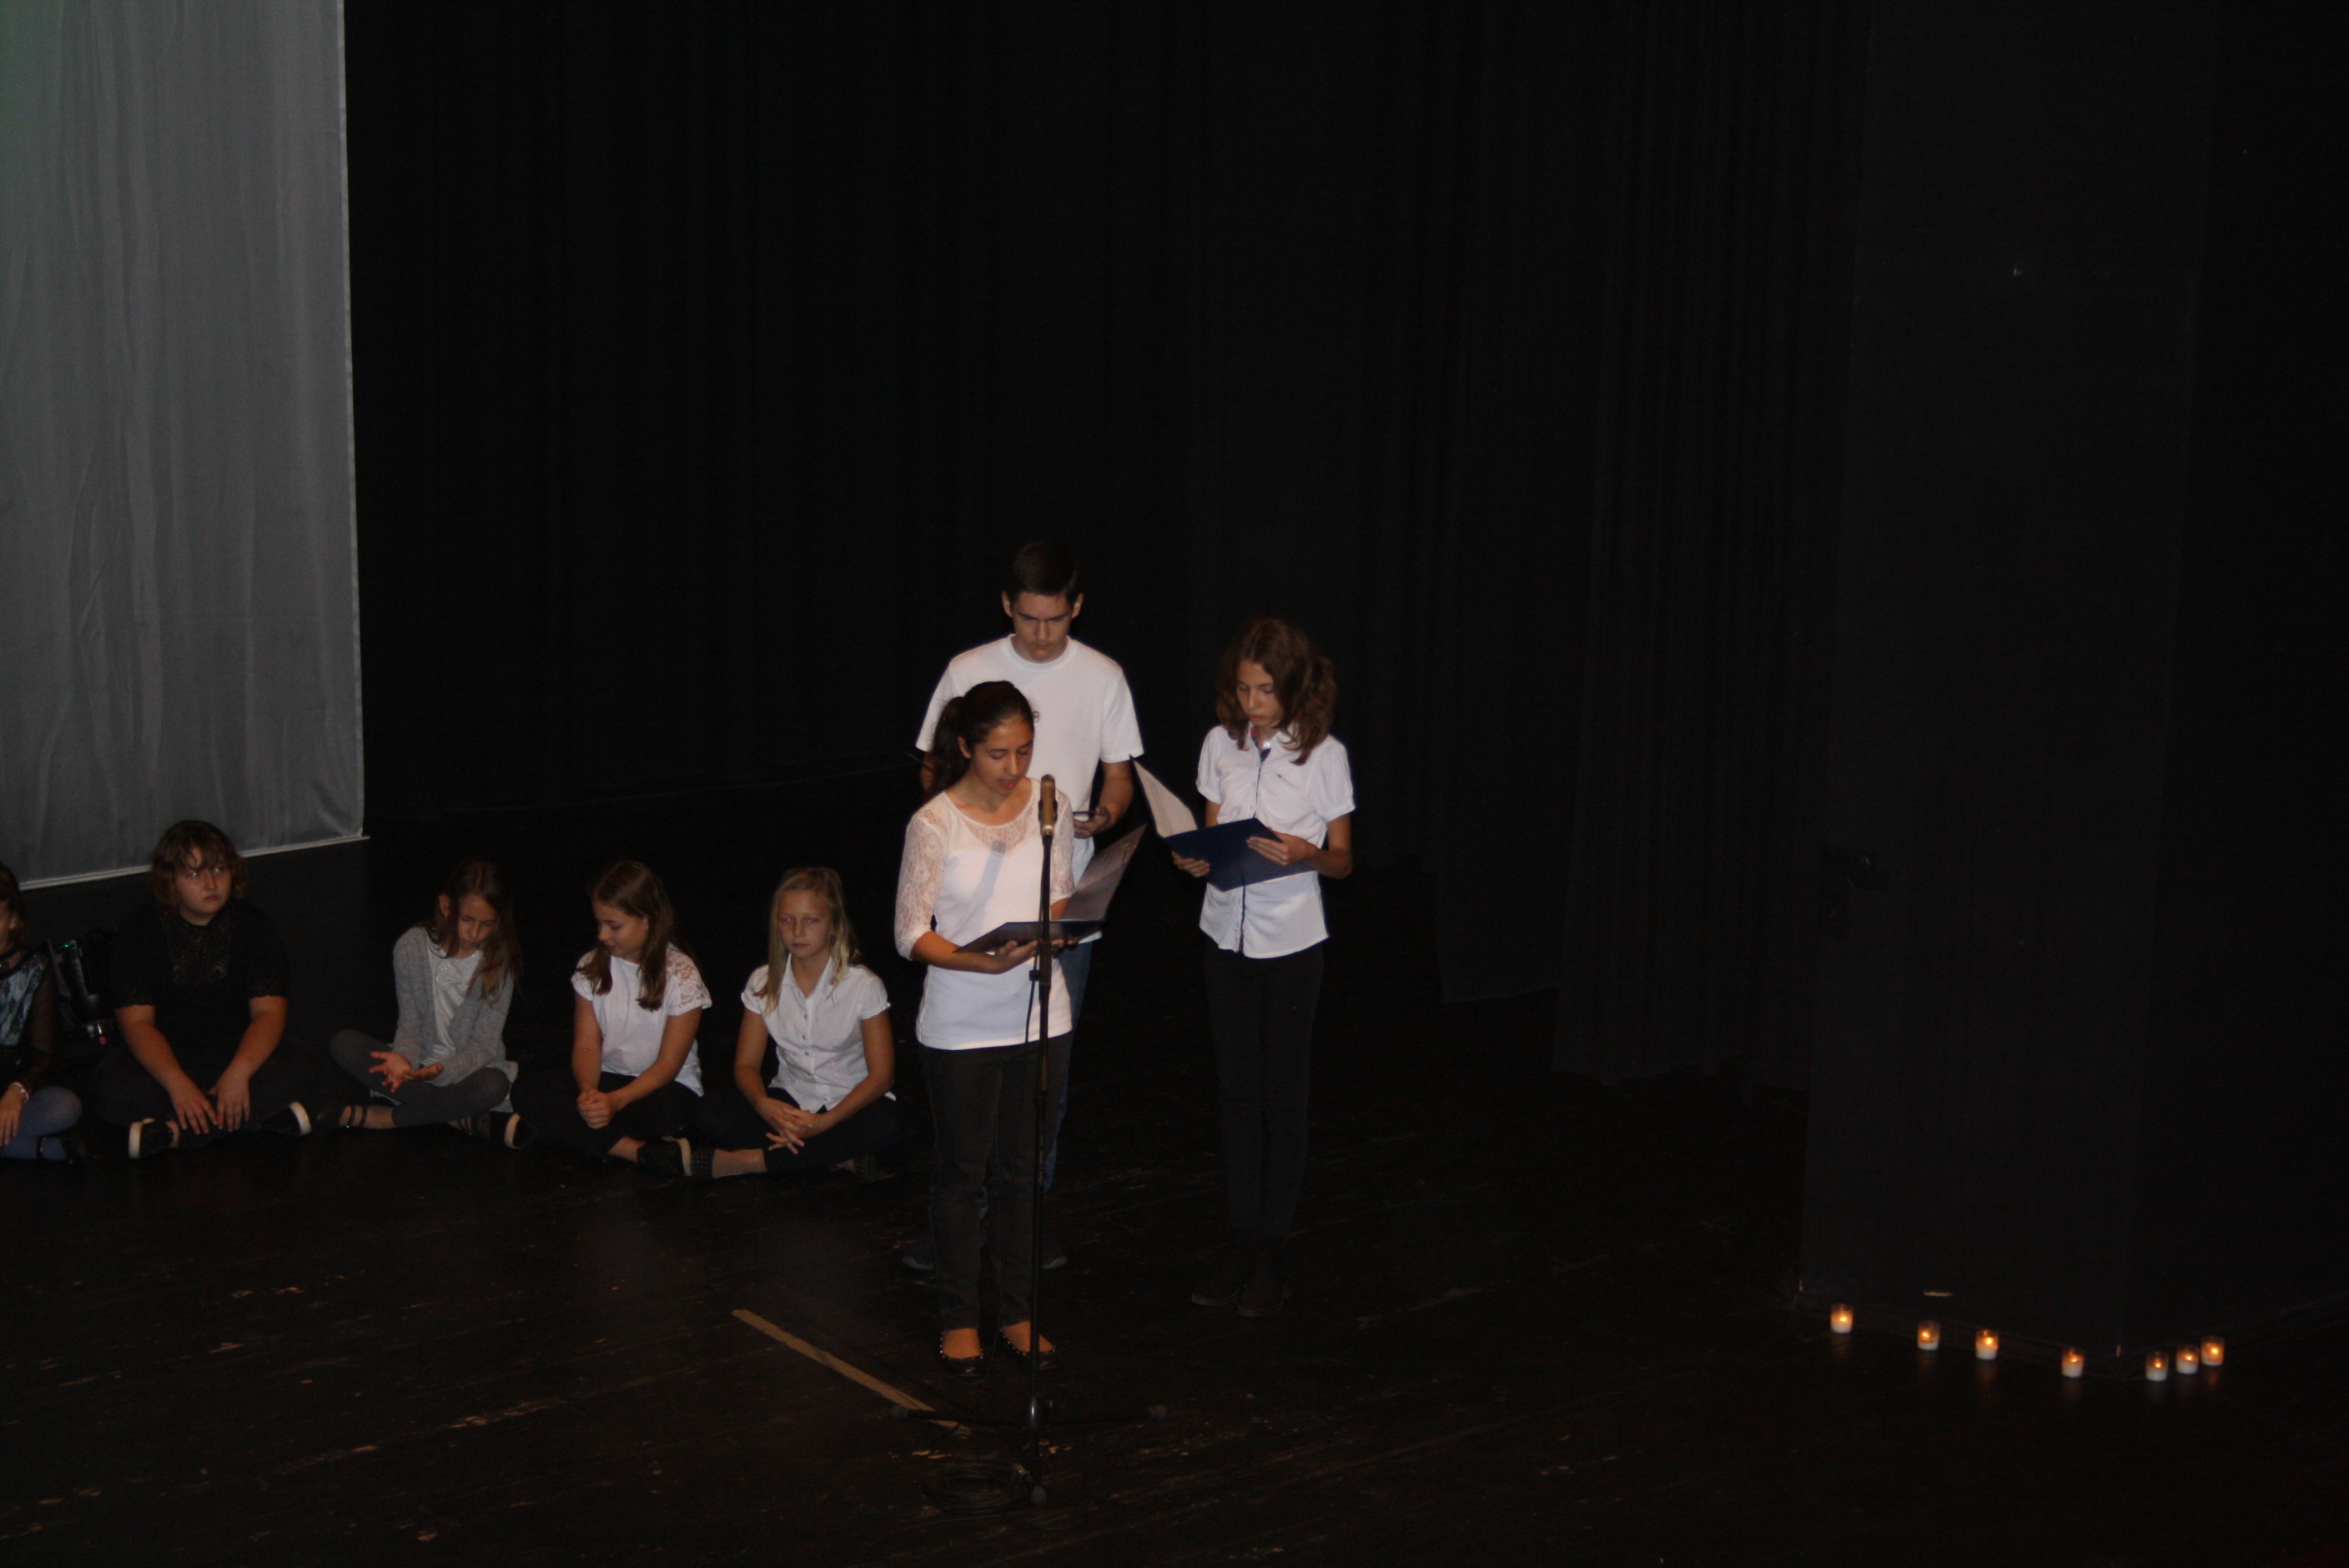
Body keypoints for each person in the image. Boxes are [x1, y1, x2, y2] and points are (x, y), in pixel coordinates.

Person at [908, 540, 1143, 1262]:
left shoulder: (1103, 676)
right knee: (970, 1073)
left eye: (1056, 620)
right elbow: (931, 770)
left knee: (1043, 1080)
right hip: (973, 898)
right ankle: (960, 1222)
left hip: (1057, 898)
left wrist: (1105, 816)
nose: (1042, 635)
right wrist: (975, 824)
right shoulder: (968, 670)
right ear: (1007, 606)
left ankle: (1022, 1220)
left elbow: (1119, 775)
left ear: (1077, 607)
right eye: (1029, 619)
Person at [1172, 617, 1354, 1318]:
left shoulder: (1324, 755)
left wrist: (1306, 853)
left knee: (1284, 1094)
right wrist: (1195, 857)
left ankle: (1273, 1247)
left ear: (1295, 687)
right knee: (1237, 1093)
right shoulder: (1220, 744)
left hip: (1292, 943)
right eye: (1244, 689)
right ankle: (1241, 1237)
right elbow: (1213, 834)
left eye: (1266, 691)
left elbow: (1343, 861)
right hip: (1225, 935)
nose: (1253, 703)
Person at [895, 681, 1073, 1376]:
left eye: (1024, 751)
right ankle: (959, 1318)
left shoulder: (1048, 805)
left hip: (1041, 1013)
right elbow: (910, 932)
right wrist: (978, 960)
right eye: (999, 753)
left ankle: (1019, 1312)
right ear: (966, 747)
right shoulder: (934, 822)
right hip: (963, 1022)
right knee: (963, 1173)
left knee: (1024, 1170)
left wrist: (1057, 929)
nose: (1014, 767)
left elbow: (1060, 893)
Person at [650, 867, 899, 1180]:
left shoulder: (863, 985)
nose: (798, 931)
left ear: (834, 925)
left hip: (847, 1104)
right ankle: (834, 1156)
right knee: (709, 1112)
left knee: (886, 1125)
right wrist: (764, 1105)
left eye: (811, 920)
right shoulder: (763, 982)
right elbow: (746, 1066)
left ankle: (752, 1161)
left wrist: (824, 1123)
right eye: (787, 920)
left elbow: (881, 1077)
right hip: (790, 1100)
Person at [91, 821, 317, 1157]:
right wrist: (177, 1084)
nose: (211, 884)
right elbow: (137, 1024)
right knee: (110, 1088)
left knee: (302, 1065)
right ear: (170, 881)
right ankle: (255, 1118)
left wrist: (239, 1074)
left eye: (219, 870)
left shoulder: (254, 925)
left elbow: (269, 1015)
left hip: (237, 1053)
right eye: (195, 874)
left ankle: (174, 1132)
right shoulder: (139, 931)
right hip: (169, 1057)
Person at [510, 861, 708, 1167]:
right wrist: (589, 1093)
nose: (602, 935)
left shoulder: (682, 974)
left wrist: (615, 1102)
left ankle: (554, 1131)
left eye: (614, 926)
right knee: (527, 1090)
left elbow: (669, 1065)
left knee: (675, 1113)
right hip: (608, 1081)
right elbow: (586, 1044)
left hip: (662, 1088)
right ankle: (637, 1151)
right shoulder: (591, 967)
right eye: (599, 923)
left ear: (648, 920)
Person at [324, 859, 521, 1138]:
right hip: (419, 1064)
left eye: (486, 924)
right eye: (467, 920)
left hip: (468, 1071)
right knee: (344, 1043)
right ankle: (454, 1114)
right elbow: (411, 1021)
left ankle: (389, 1118)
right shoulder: (412, 947)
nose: (474, 933)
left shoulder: (499, 963)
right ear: (446, 906)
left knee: (493, 1085)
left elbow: (484, 1046)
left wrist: (441, 1072)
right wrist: (403, 1060)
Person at [1, 862, 83, 1161]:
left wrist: (17, 1091)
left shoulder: (34, 969)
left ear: (12, 920)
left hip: (10, 1088)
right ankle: (34, 1149)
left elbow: (43, 1053)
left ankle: (18, 1145)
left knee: (64, 1106)